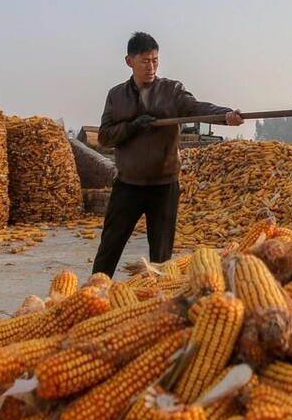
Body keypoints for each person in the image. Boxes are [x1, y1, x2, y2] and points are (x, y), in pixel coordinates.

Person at [91, 32, 242, 276]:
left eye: (155, 60)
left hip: (163, 187)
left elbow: (198, 109)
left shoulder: (171, 91)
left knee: (161, 259)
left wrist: (226, 115)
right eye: (144, 61)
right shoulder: (116, 95)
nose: (151, 67)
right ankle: (93, 293)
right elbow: (105, 136)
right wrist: (133, 126)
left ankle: (157, 300)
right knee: (109, 248)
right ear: (129, 61)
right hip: (128, 185)